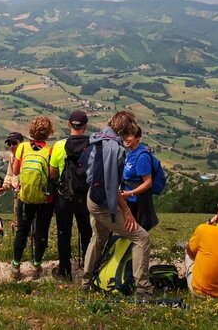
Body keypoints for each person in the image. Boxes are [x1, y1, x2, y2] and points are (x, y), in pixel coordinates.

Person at [81, 110, 153, 297]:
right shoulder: (115, 148)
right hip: (103, 203)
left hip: (92, 197)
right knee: (141, 238)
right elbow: (112, 186)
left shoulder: (98, 137)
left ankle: (85, 282)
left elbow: (89, 172)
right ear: (127, 129)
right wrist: (126, 212)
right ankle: (143, 288)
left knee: (98, 238)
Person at [9, 116, 56, 280]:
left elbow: (15, 171)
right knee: (41, 231)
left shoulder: (22, 147)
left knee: (22, 230)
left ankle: (15, 267)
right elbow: (51, 175)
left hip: (25, 196)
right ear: (49, 133)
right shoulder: (50, 150)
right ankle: (36, 266)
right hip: (45, 199)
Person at [48, 110, 92, 281]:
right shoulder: (91, 144)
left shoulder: (59, 146)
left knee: (63, 234)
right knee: (87, 233)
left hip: (64, 197)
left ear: (69, 125)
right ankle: (89, 270)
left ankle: (64, 271)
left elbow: (52, 174)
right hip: (85, 198)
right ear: (85, 126)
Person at [121, 126, 159, 231]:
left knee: (135, 233)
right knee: (127, 232)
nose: (126, 138)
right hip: (128, 200)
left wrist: (130, 193)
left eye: (129, 135)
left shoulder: (142, 157)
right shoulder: (130, 153)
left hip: (137, 203)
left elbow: (148, 183)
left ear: (138, 138)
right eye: (124, 135)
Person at [0, 131, 24, 232]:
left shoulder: (25, 156)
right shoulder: (12, 157)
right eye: (9, 144)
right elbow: (10, 175)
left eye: (14, 143)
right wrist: (4, 187)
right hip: (17, 192)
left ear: (21, 143)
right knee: (18, 218)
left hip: (26, 191)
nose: (11, 146)